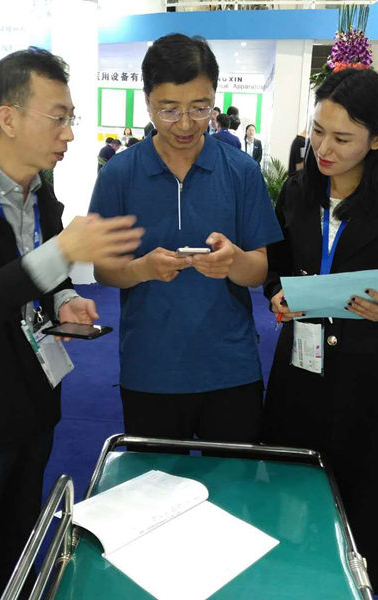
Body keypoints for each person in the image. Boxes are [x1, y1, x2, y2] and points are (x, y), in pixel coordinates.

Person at [0, 47, 142, 600]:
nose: (69, 133)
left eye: (71, 117)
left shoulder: (41, 192)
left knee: (20, 554)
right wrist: (63, 253)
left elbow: (39, 275)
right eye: (57, 117)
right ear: (8, 117)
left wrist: (64, 295)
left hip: (35, 403)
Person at [264, 68, 378, 600]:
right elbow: (277, 266)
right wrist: (276, 293)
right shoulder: (298, 189)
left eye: (342, 138)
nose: (324, 148)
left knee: (373, 502)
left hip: (374, 377)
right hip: (301, 374)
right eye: (318, 131)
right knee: (292, 491)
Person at [89, 33, 282, 445]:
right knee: (153, 481)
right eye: (169, 109)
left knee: (234, 481)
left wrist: (233, 262)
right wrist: (142, 269)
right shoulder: (119, 175)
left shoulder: (241, 171)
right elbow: (104, 270)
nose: (185, 124)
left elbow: (259, 270)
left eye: (200, 108)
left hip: (230, 368)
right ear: (147, 102)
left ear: (214, 99)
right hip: (151, 369)